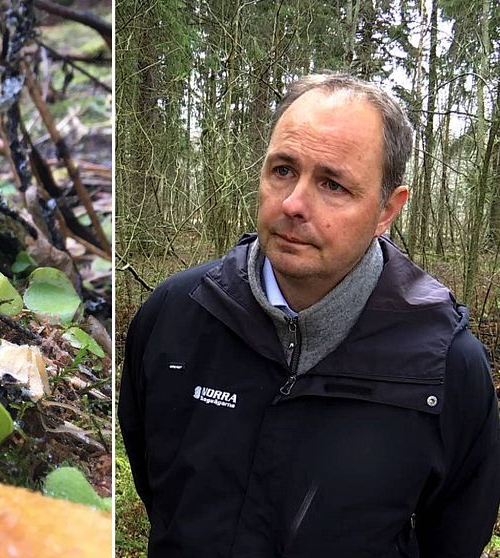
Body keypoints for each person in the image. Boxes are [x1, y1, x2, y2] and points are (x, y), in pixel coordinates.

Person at [118, 73, 500, 557]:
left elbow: (455, 536)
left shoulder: (443, 366)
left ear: (388, 210)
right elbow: (161, 492)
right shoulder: (177, 313)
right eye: (282, 170)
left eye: (333, 184)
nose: (294, 204)